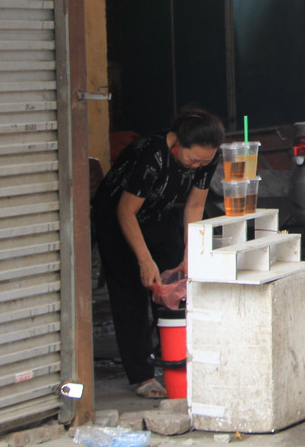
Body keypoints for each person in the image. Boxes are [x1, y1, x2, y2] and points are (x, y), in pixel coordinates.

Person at [92, 108, 224, 398]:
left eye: (204, 161)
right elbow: (126, 211)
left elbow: (194, 206)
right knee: (133, 293)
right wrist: (144, 259)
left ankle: (174, 356)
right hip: (118, 217)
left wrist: (192, 250)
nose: (196, 167)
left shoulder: (207, 157)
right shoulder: (151, 156)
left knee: (178, 280)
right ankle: (142, 377)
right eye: (192, 160)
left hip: (159, 213)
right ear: (177, 142)